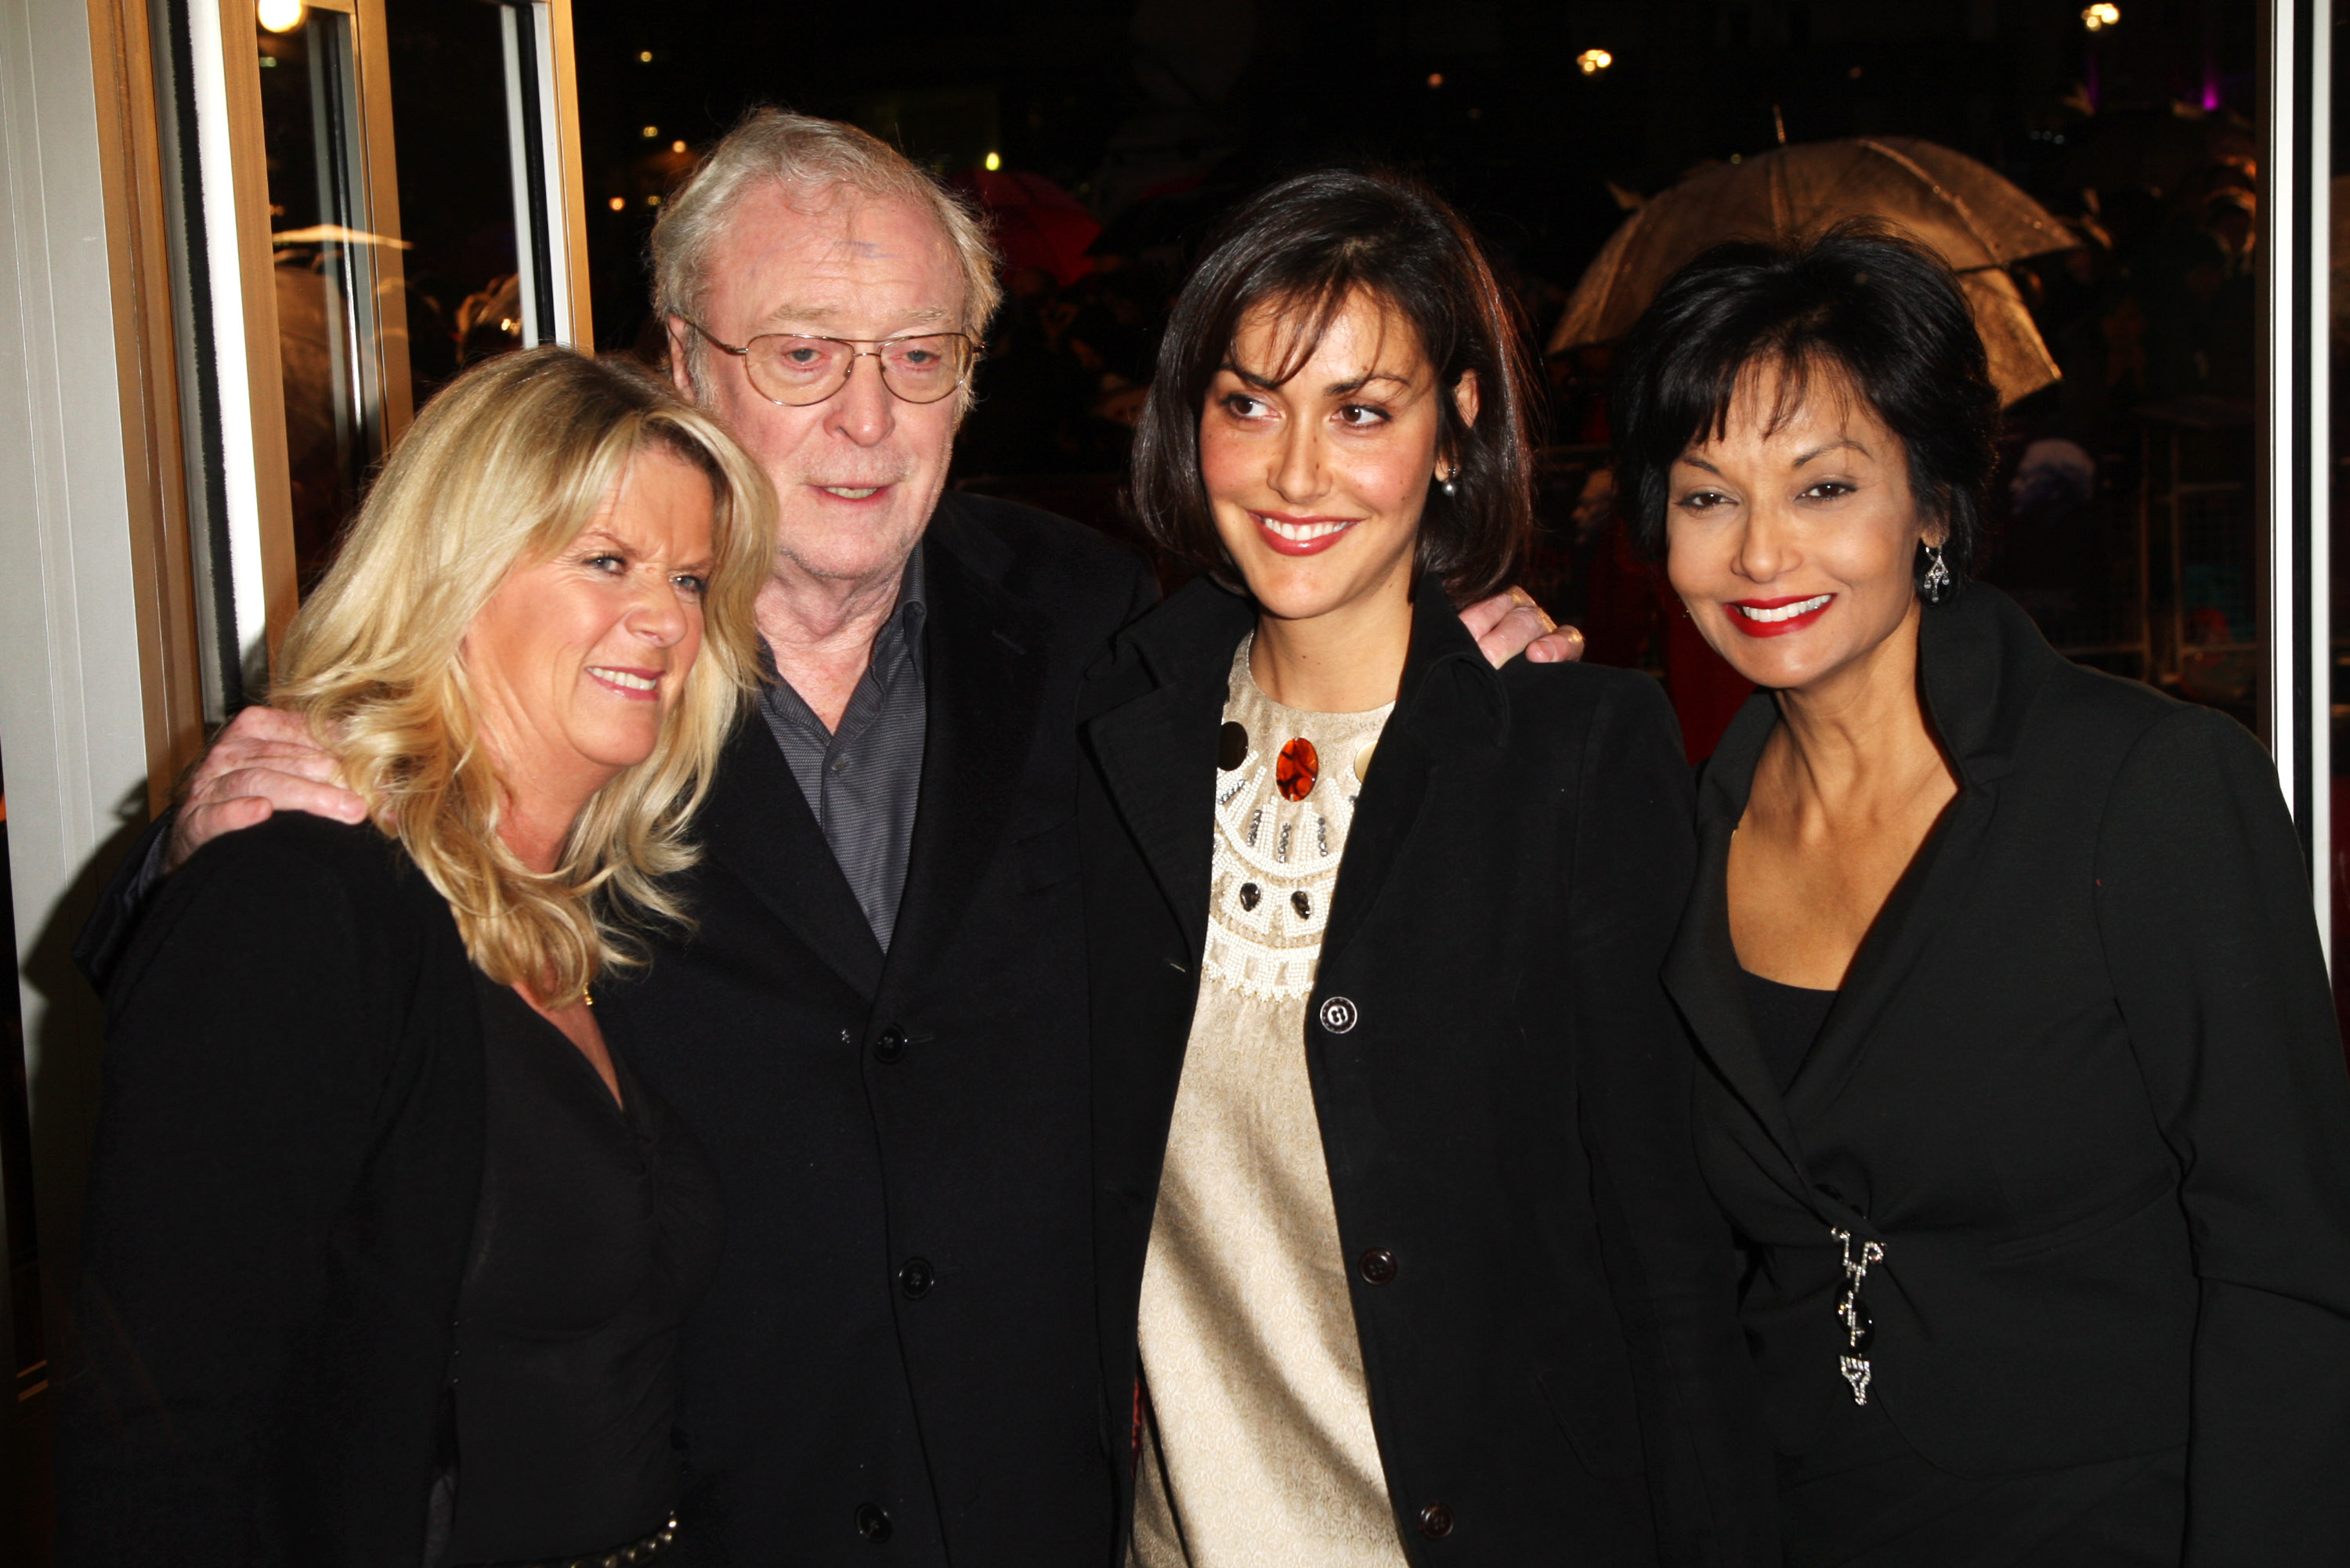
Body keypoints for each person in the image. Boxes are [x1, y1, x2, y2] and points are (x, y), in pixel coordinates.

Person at [79, 114, 1582, 1565]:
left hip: (1045, 1514)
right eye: (801, 353)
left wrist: (1454, 664)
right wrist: (199, 842)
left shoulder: (1104, 634)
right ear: (682, 360)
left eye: (920, 359)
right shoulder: (583, 664)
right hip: (701, 1508)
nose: (867, 421)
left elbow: (1320, 735)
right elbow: (290, 991)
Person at [1610, 224, 2350, 1563]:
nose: (1762, 554)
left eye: (1824, 487)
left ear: (1934, 507)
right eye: (1708, 495)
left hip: (2117, 1523)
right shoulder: (1685, 823)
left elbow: (2293, 1268)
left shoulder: (2151, 788)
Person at [1081, 170, 1770, 1566]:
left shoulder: (1574, 752)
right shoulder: (1108, 737)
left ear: (1456, 427)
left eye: (1361, 411)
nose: (1294, 471)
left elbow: (1669, 1249)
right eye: (1248, 403)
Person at [55, 346, 774, 1565]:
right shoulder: (301, 895)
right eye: (607, 559)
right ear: (456, 571)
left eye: (694, 578)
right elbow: (158, 1435)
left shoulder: (584, 918)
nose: (664, 619)